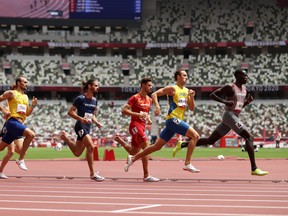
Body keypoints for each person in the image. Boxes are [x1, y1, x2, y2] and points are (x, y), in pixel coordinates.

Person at [172, 69, 268, 176]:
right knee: (249, 137)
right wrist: (225, 101)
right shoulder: (230, 87)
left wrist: (247, 102)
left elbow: (238, 107)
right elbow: (212, 95)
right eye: (244, 75)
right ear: (237, 76)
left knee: (210, 140)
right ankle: (254, 168)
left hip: (234, 116)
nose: (246, 77)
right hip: (229, 116)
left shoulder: (245, 90)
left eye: (247, 75)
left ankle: (183, 144)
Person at [124, 69, 200, 173]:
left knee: (156, 146)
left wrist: (191, 97)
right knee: (195, 136)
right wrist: (158, 106)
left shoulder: (187, 91)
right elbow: (154, 94)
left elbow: (191, 108)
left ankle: (132, 159)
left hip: (175, 122)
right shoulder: (172, 89)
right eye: (184, 75)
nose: (186, 77)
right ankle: (187, 163)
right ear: (178, 77)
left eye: (187, 76)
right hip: (172, 119)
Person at [57, 79, 105, 181]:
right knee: (91, 146)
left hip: (88, 127)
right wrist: (81, 119)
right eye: (96, 85)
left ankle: (65, 138)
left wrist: (97, 123)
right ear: (89, 86)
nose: (98, 87)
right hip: (80, 125)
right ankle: (92, 174)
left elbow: (92, 115)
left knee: (77, 152)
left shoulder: (95, 100)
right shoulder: (80, 98)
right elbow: (70, 112)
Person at [114, 77, 160, 182]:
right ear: (143, 85)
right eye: (149, 85)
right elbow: (124, 111)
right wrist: (137, 114)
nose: (151, 87)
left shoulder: (150, 100)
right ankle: (146, 175)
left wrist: (148, 119)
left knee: (133, 151)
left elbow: (145, 114)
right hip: (134, 125)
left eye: (151, 85)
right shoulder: (134, 98)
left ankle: (120, 141)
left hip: (142, 126)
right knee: (146, 147)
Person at [0, 75, 37, 171]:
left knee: (1, 148)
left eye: (27, 82)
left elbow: (27, 114)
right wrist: (4, 111)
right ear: (18, 83)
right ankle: (21, 159)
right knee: (31, 134)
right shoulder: (11, 93)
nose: (26, 84)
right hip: (12, 122)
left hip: (19, 123)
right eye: (24, 82)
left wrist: (32, 106)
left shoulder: (25, 96)